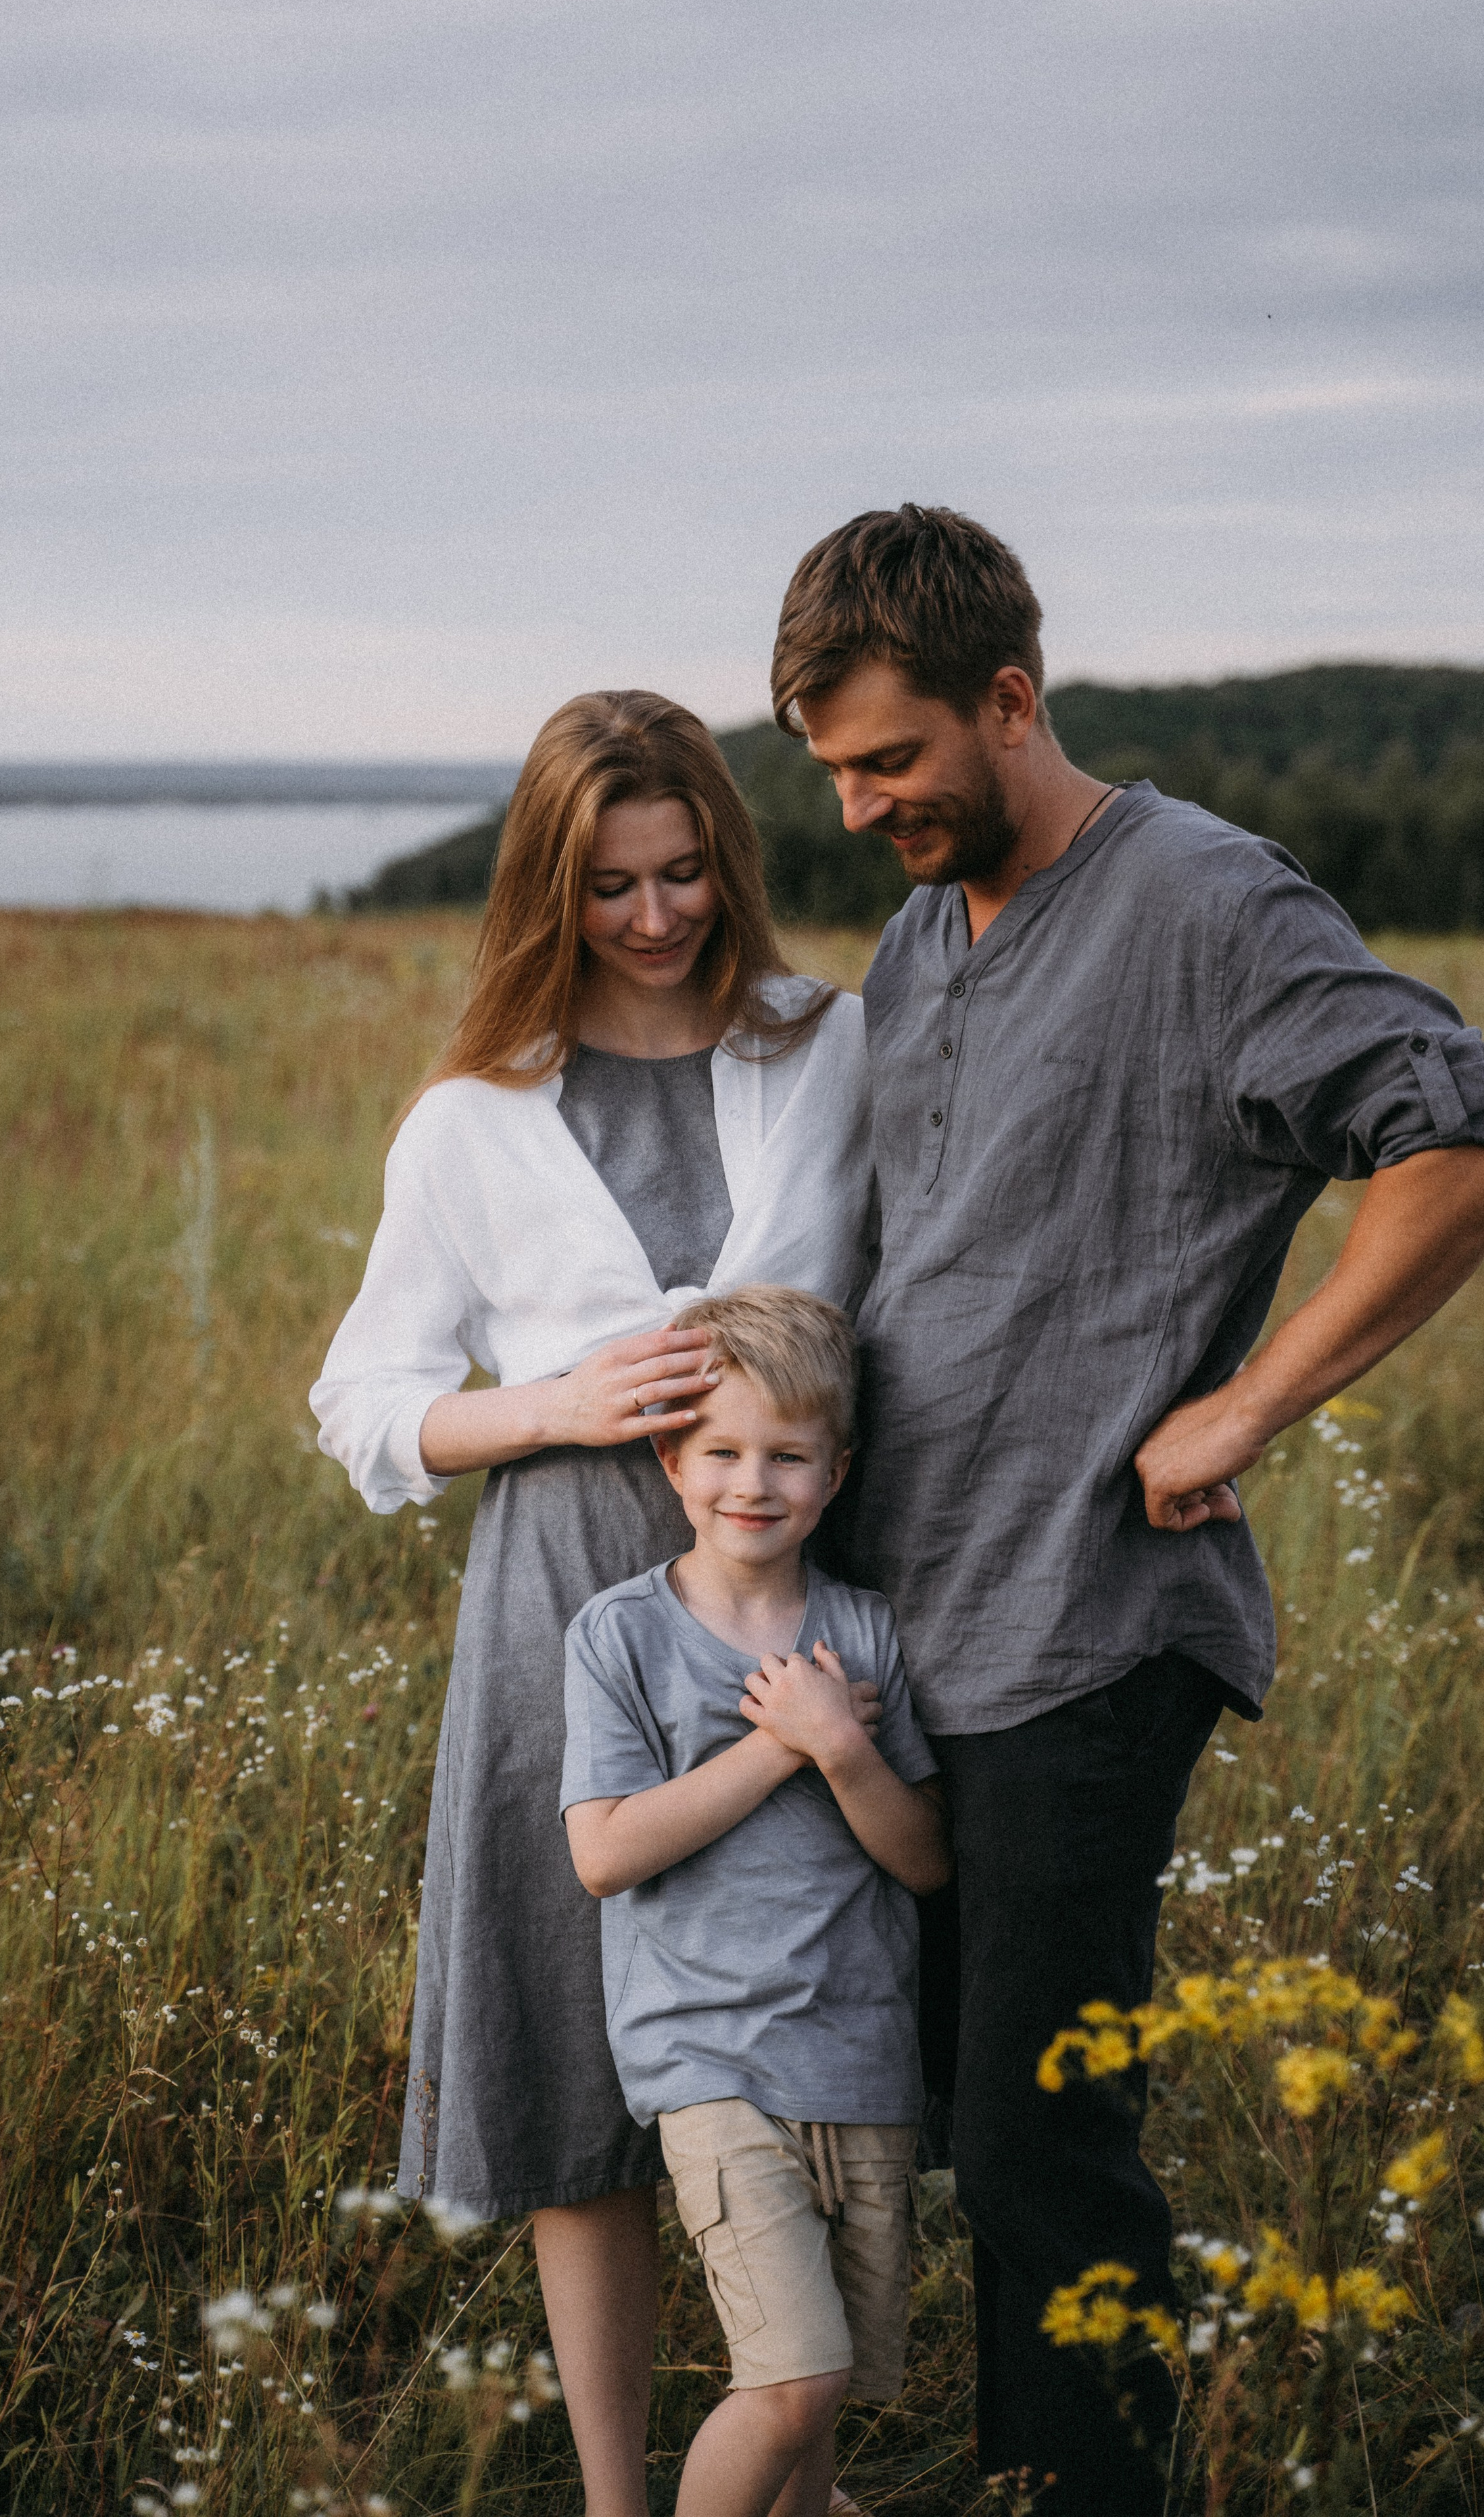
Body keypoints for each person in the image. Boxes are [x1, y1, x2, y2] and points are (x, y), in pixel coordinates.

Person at [767, 504, 1484, 2514]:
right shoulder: (925, 934)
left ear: (1012, 700)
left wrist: (1249, 1402)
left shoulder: (1204, 904)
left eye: (891, 759)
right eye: (832, 770)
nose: (858, 807)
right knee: (909, 2104)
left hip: (1089, 1620)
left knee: (1035, 2137)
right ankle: (1003, 2468)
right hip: (911, 1620)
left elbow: (1449, 1137)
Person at [309, 692, 877, 2517]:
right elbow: (365, 1402)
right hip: (562, 1590)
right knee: (580, 2060)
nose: (656, 915)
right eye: (614, 883)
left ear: (731, 853)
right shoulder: (472, 1120)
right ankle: (628, 2499)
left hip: (788, 1590)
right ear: (553, 887)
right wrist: (551, 1405)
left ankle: (788, 2458)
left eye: (686, 869)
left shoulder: (829, 1045)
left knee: (804, 2038)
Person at [562, 1286, 950, 2517]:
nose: (753, 1482)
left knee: (821, 2398)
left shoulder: (867, 1634)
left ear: (836, 1475)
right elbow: (605, 1853)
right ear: (672, 1458)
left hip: (860, 2055)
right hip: (713, 2056)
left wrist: (845, 1749)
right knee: (795, 2377)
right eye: (723, 1450)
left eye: (788, 1456)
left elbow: (928, 1859)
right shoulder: (621, 1636)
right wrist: (783, 1745)